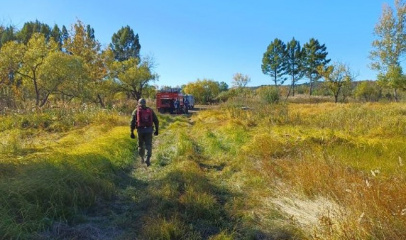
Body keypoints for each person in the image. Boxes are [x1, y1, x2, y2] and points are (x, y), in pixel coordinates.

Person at [130, 98, 159, 167]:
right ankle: (148, 158)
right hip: (149, 130)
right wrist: (157, 130)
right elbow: (156, 120)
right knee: (148, 145)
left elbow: (132, 122)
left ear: (138, 103)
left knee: (140, 145)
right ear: (145, 103)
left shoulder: (136, 111)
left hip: (140, 130)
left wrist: (132, 132)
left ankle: (142, 158)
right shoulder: (150, 110)